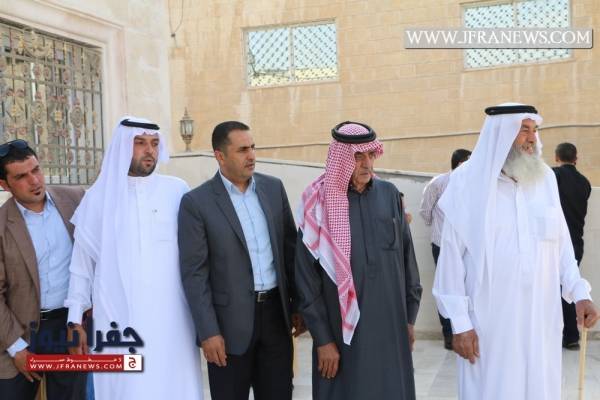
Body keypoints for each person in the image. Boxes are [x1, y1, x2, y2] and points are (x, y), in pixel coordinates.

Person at [433, 104, 599, 400]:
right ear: (501, 134)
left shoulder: (545, 179)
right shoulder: (467, 181)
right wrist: (459, 324)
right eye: (524, 130)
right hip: (488, 323)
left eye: (534, 130)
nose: (532, 138)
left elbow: (560, 243)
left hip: (541, 320)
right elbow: (451, 260)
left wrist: (579, 292)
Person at [64, 117, 203, 400]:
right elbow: (82, 267)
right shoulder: (98, 198)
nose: (149, 150)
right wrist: (74, 321)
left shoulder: (177, 190)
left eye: (154, 143)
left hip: (173, 321)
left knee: (175, 386)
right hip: (118, 319)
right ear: (122, 146)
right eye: (139, 143)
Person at [295, 121, 422, 400]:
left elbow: (407, 258)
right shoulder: (317, 204)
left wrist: (409, 318)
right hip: (341, 336)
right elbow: (306, 279)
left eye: (371, 155)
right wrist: (323, 339)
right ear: (341, 158)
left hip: (391, 326)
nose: (367, 163)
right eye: (358, 156)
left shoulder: (389, 194)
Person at [178, 121, 303, 400]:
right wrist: (208, 332)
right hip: (227, 329)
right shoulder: (196, 203)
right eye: (242, 150)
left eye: (253, 148)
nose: (252, 156)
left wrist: (298, 305)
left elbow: (290, 251)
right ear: (220, 156)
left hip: (276, 319)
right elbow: (194, 274)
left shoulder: (273, 189)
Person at [0, 140, 86, 400]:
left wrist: (80, 318)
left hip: (70, 328)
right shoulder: (2, 225)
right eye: (21, 176)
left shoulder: (76, 199)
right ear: (4, 185)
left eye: (36, 170)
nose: (35, 181)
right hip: (19, 332)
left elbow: (94, 262)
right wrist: (16, 348)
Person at [419, 148, 471, 349]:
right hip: (441, 245)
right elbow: (425, 211)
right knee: (445, 289)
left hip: (468, 247)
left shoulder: (474, 184)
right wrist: (440, 229)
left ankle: (464, 331)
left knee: (466, 288)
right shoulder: (438, 183)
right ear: (459, 164)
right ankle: (449, 336)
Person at [552, 142, 592, 350]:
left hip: (554, 243)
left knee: (551, 289)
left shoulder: (553, 176)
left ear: (556, 158)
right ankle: (571, 336)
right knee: (570, 287)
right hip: (576, 242)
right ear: (576, 159)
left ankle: (557, 334)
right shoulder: (585, 182)